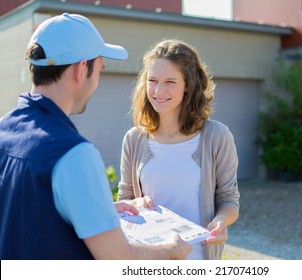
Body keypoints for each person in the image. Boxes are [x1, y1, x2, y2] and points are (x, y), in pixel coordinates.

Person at [0, 13, 191, 260]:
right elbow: (117, 258)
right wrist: (171, 251)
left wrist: (96, 210)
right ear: (81, 69)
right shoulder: (72, 152)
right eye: (100, 70)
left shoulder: (5, 129)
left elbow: (27, 210)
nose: (97, 81)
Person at [117, 39, 240, 260]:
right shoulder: (134, 139)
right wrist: (133, 204)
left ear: (188, 86)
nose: (158, 90)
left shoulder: (217, 136)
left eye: (170, 82)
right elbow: (125, 199)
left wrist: (220, 221)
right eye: (152, 80)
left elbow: (229, 199)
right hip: (149, 261)